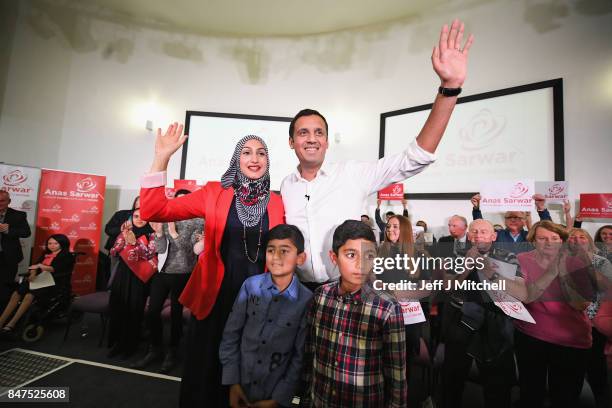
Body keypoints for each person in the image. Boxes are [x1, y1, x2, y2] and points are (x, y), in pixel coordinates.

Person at [281, 19, 474, 291]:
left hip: (347, 288)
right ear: (291, 142)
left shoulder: (353, 174)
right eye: (303, 133)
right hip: (297, 291)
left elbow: (415, 157)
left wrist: (450, 89)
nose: (311, 138)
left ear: (326, 141)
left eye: (319, 132)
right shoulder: (286, 186)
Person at [139, 130, 284, 407]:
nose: (255, 158)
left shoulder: (277, 202)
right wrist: (162, 158)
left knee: (248, 375)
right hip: (215, 299)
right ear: (235, 159)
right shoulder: (213, 193)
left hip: (258, 302)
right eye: (247, 152)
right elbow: (154, 210)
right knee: (206, 375)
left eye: (261, 153)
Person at [301, 220, 406, 407]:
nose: (360, 265)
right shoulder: (321, 296)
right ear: (334, 257)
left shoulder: (387, 307)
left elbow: (396, 375)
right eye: (351, 255)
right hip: (321, 399)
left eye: (369, 256)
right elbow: (311, 352)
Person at [219, 224, 312, 408]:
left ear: (300, 258)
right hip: (240, 385)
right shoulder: (250, 286)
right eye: (271, 250)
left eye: (284, 251)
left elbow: (299, 356)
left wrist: (278, 398)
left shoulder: (307, 301)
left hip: (274, 393)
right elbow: (231, 335)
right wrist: (232, 382)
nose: (276, 257)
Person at [440, 219, 527, 408]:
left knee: (497, 384)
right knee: (453, 379)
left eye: (484, 231)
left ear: (493, 236)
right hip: (461, 321)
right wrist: (467, 266)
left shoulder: (508, 256)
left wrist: (491, 273)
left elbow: (521, 292)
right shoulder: (455, 255)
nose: (479, 235)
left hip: (496, 323)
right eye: (474, 231)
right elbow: (447, 287)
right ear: (469, 235)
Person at [514, 221, 594, 408]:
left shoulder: (577, 262)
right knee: (530, 394)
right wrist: (550, 273)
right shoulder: (521, 259)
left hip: (570, 339)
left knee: (565, 397)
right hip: (530, 336)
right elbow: (525, 296)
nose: (549, 243)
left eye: (555, 238)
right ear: (533, 241)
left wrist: (563, 273)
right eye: (542, 238)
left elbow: (581, 303)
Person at [131, 189, 203, 373]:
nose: (180, 204)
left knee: (176, 315)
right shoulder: (165, 218)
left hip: (183, 273)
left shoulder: (198, 221)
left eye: (184, 200)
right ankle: (155, 348)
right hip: (162, 272)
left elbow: (190, 251)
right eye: (177, 201)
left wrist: (173, 231)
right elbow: (160, 249)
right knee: (152, 311)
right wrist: (161, 234)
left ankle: (173, 351)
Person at [377, 215, 430, 387]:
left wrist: (405, 293)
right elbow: (372, 281)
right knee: (382, 359)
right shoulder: (379, 251)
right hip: (382, 314)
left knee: (404, 363)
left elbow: (428, 287)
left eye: (395, 227)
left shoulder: (418, 255)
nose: (390, 230)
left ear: (405, 230)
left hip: (408, 318)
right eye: (388, 227)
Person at [568, 228, 612, 408]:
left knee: (595, 366)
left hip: (593, 321)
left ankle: (599, 398)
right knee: (570, 366)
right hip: (567, 322)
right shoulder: (560, 261)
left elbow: (607, 288)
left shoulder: (601, 262)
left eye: (582, 237)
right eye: (573, 237)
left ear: (589, 241)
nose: (577, 240)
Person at [0, 234, 73, 336]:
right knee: (16, 293)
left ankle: (11, 324)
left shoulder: (67, 256)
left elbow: (54, 269)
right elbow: (34, 266)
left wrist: (40, 266)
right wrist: (33, 273)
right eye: (49, 243)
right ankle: (1, 321)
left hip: (53, 282)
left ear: (62, 244)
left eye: (55, 243)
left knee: (29, 295)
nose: (52, 246)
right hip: (39, 280)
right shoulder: (45, 254)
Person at [107, 209, 156, 359]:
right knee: (118, 308)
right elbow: (113, 252)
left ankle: (130, 345)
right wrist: (123, 241)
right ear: (131, 218)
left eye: (143, 216)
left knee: (134, 311)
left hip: (139, 277)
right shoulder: (126, 231)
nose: (139, 219)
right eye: (136, 216)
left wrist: (135, 243)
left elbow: (149, 254)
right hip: (122, 274)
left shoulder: (152, 234)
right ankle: (117, 343)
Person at [471, 193, 552, 253]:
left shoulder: (531, 236)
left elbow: (548, 229)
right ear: (505, 220)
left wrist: (541, 208)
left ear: (524, 221)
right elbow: (480, 227)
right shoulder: (497, 235)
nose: (513, 220)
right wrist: (477, 209)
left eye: (517, 217)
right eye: (509, 217)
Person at [0, 190, 32, 292]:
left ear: (9, 201)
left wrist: (9, 230)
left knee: (6, 286)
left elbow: (26, 232)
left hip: (9, 257)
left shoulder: (19, 215)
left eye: (2, 201)